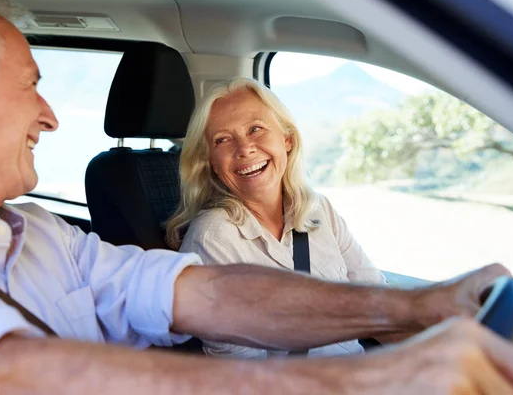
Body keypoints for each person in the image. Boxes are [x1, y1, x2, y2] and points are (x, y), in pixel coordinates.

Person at [0, 0, 513, 394]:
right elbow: (4, 375)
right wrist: (378, 379)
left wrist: (418, 308)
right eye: (30, 86)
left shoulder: (43, 234)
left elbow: (202, 293)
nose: (49, 117)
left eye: (257, 131)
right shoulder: (215, 230)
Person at [168, 77, 404, 358]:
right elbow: (242, 372)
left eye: (255, 129)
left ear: (287, 139)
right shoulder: (213, 237)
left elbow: (380, 309)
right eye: (223, 140)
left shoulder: (318, 210)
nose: (244, 149)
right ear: (212, 165)